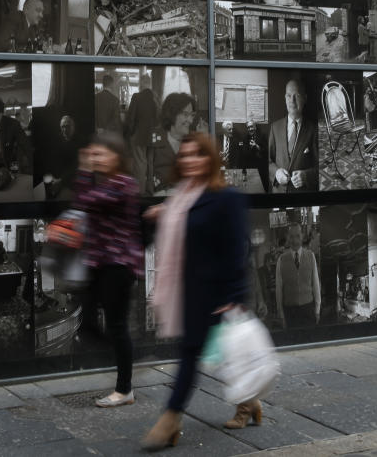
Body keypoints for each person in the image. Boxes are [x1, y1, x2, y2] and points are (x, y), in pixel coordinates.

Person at [140, 131, 250, 450]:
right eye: (185, 155)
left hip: (216, 291)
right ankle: (250, 402)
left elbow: (238, 249)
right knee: (220, 354)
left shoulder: (225, 196)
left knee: (193, 353)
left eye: (197, 154)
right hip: (188, 289)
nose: (189, 160)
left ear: (210, 159)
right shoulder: (179, 197)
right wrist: (156, 215)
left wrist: (234, 296)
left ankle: (170, 418)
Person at [73, 133, 143, 409]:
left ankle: (124, 388)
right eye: (94, 154)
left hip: (118, 265)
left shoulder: (124, 185)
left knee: (117, 326)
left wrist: (83, 170)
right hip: (98, 264)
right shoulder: (106, 183)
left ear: (116, 156)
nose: (96, 159)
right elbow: (84, 202)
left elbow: (85, 201)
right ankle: (123, 355)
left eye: (101, 154)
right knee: (88, 325)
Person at [268, 79, 317, 192]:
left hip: (302, 196)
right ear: (285, 98)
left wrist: (306, 176)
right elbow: (268, 160)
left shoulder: (313, 129)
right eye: (289, 96)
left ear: (305, 98)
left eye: (297, 96)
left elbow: (322, 167)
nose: (292, 100)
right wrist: (276, 172)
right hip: (279, 193)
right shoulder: (275, 127)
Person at [148, 92, 198, 195]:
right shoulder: (153, 139)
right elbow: (143, 176)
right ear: (172, 114)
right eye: (185, 114)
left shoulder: (193, 143)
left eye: (192, 115)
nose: (190, 120)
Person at [275, 224, 321, 329]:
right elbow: (279, 290)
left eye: (297, 236)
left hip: (308, 309)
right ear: (287, 237)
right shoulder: (281, 260)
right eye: (291, 236)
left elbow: (316, 284)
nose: (294, 240)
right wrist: (281, 315)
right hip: (290, 312)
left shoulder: (311, 256)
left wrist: (317, 310)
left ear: (302, 236)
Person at [124, 74, 158, 193]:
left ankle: (141, 192)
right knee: (150, 162)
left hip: (139, 135)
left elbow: (131, 118)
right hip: (153, 136)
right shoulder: (155, 99)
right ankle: (150, 189)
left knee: (140, 163)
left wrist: (130, 133)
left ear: (142, 83)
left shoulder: (137, 97)